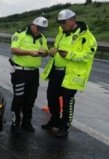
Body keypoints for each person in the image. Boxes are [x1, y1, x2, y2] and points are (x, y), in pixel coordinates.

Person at [41, 9, 97, 137]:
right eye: (60, 22)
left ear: (73, 21)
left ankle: (64, 126)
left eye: (64, 22)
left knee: (68, 101)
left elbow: (87, 55)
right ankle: (54, 120)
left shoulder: (86, 37)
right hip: (56, 71)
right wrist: (52, 51)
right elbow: (57, 47)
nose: (61, 25)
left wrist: (69, 55)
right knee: (51, 96)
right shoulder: (61, 32)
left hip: (71, 74)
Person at [9, 16, 49, 134]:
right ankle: (15, 123)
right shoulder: (20, 34)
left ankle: (26, 123)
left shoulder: (42, 38)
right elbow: (13, 49)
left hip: (34, 72)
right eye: (38, 28)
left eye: (42, 29)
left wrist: (44, 52)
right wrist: (29, 52)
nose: (40, 30)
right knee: (19, 98)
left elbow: (46, 52)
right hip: (20, 71)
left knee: (31, 99)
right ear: (33, 25)